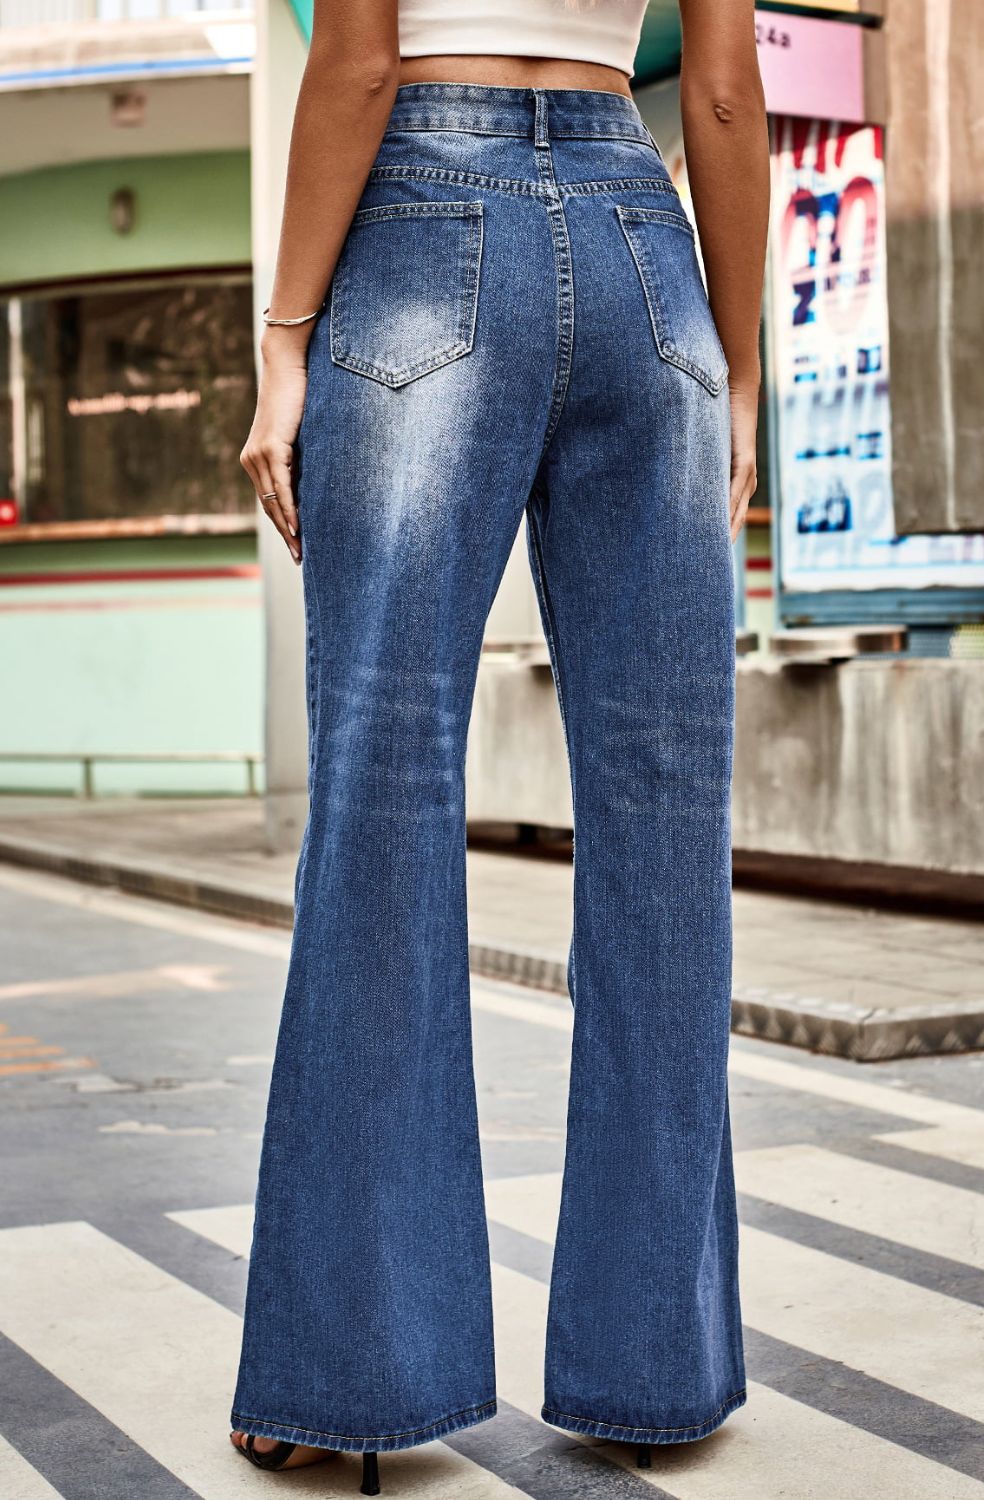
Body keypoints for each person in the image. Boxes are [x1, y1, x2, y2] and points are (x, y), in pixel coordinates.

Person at [231, 0, 768, 1490]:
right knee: (666, 815)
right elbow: (724, 91)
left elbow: (357, 58)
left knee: (383, 793)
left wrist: (285, 340)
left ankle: (350, 1372)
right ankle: (657, 1366)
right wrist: (737, 366)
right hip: (643, 241)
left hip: (422, 223)